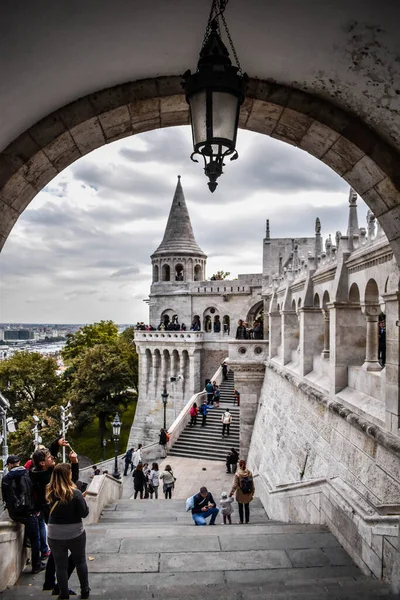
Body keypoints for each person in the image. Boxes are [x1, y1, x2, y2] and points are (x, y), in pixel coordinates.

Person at [30, 438, 79, 594]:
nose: (53, 458)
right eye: (50, 458)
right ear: (43, 463)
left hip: (48, 517)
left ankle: (49, 582)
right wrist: (75, 463)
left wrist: (56, 443)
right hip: (59, 520)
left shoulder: (36, 472)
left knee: (56, 551)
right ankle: (59, 586)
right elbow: (73, 483)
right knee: (75, 554)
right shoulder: (49, 477)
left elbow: (47, 457)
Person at [46, 463, 90, 600]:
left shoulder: (49, 491)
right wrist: (82, 499)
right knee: (80, 561)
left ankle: (63, 593)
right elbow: (84, 513)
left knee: (60, 566)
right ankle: (85, 590)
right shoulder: (75, 493)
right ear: (67, 475)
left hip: (54, 533)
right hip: (75, 533)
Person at [1, 455, 44, 574]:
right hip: (28, 511)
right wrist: (37, 508)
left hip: (14, 514)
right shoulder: (28, 474)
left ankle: (26, 540)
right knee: (36, 539)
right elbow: (36, 491)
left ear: (9, 465)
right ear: (19, 462)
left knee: (30, 533)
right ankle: (36, 565)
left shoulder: (5, 479)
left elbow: (5, 497)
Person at [229, 459, 255, 524]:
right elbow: (252, 483)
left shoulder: (238, 474)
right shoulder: (249, 473)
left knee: (240, 508)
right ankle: (247, 520)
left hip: (240, 493)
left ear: (239, 465)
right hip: (247, 493)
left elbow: (235, 485)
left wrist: (231, 493)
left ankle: (241, 521)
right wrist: (252, 492)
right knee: (247, 507)